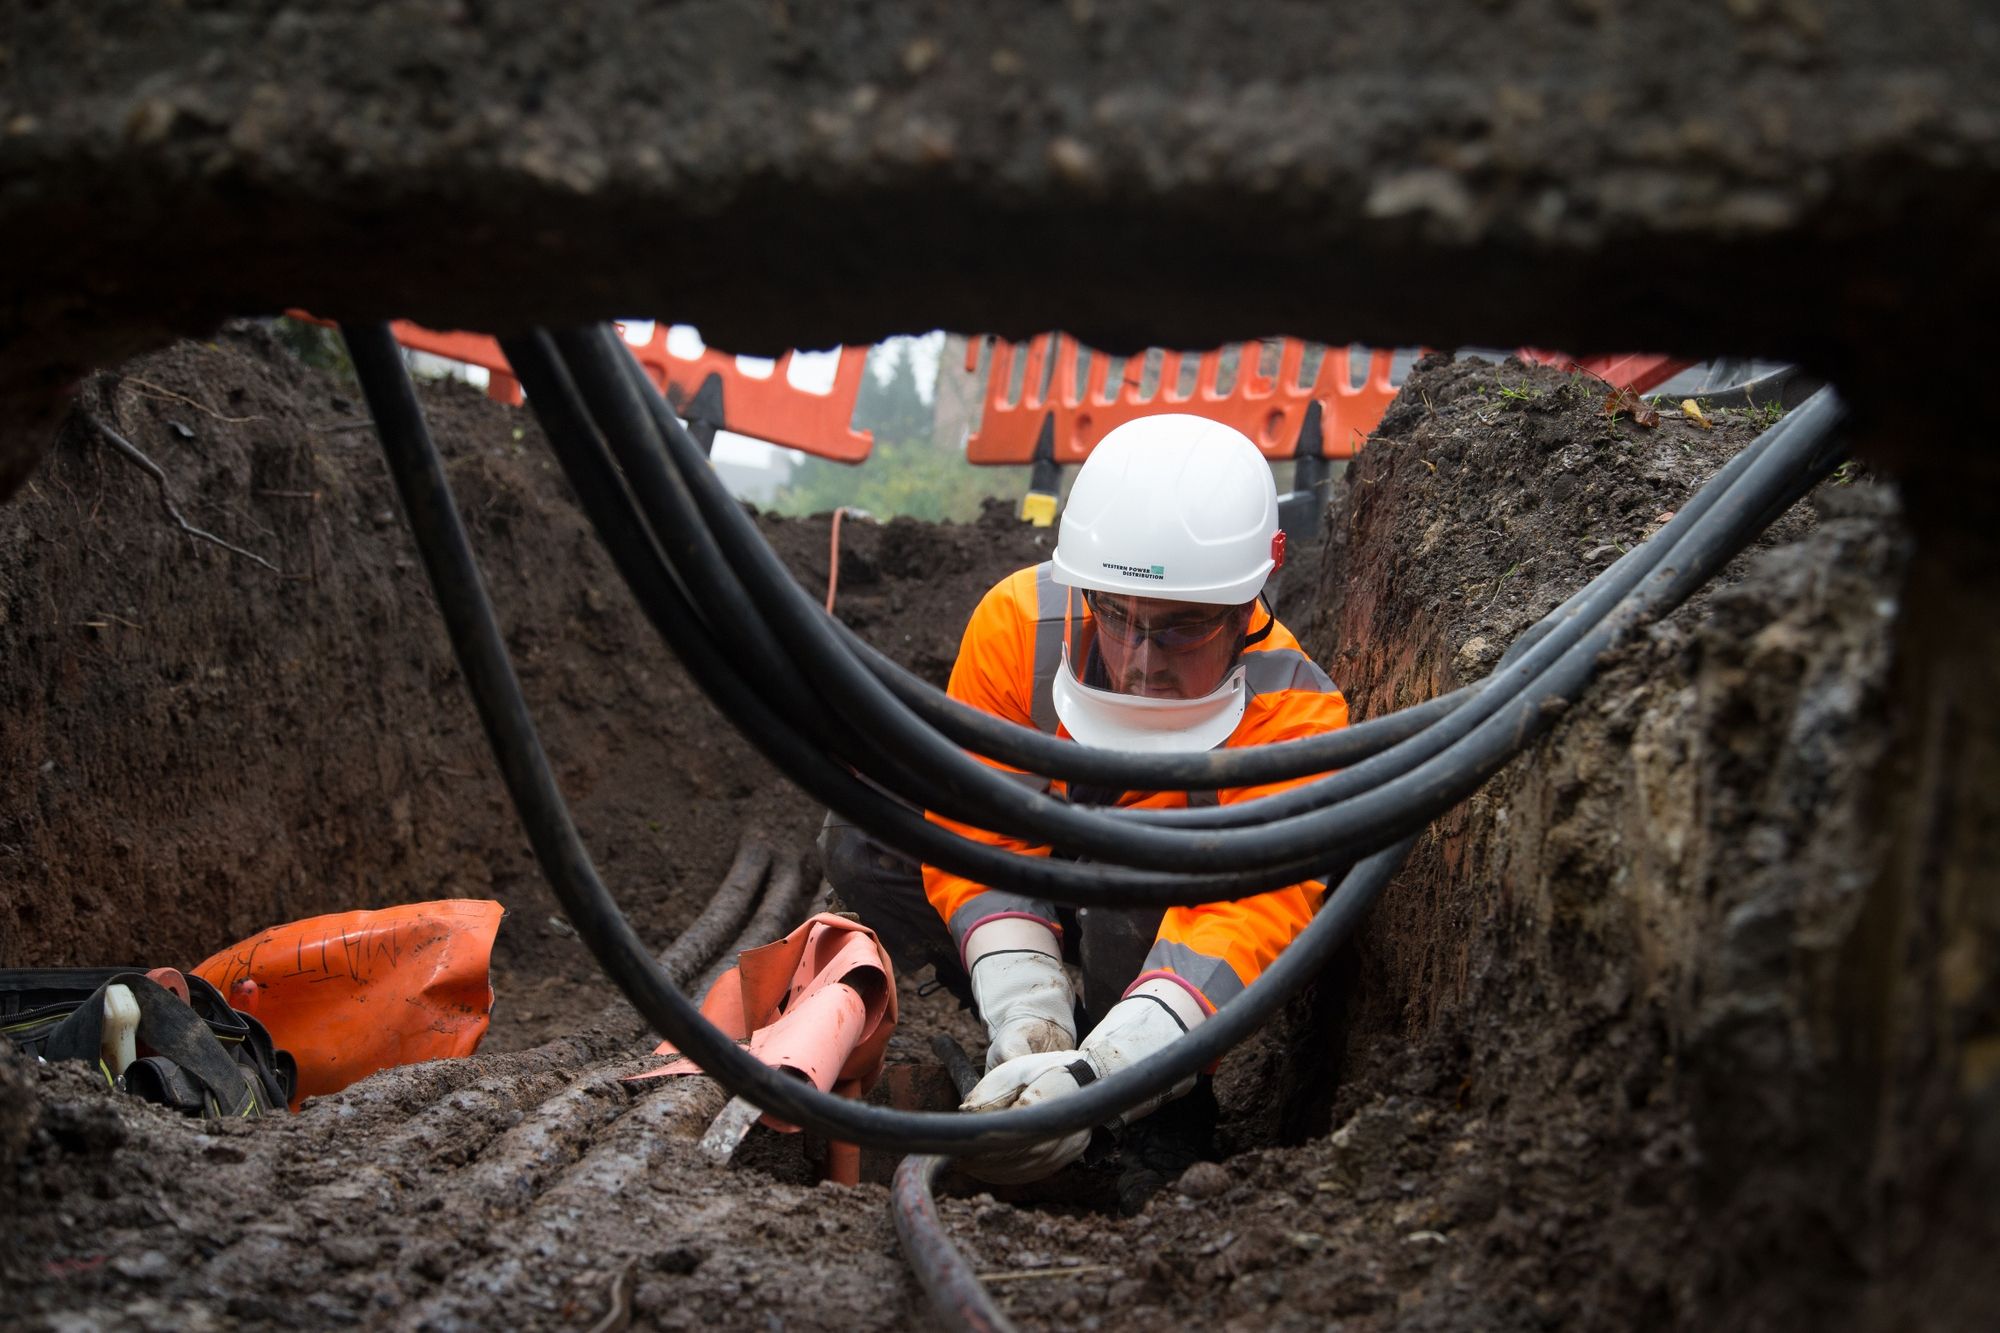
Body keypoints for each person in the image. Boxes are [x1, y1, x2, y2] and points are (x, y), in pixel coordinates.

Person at [819, 413, 1348, 1187]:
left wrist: (1108, 1074)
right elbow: (981, 832)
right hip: (1052, 890)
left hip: (1161, 914)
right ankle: (1035, 1041)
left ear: (1255, 588)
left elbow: (1245, 923)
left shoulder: (1297, 721)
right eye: (1117, 616)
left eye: (1181, 630)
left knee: (1132, 873)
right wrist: (1027, 1016)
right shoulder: (1017, 629)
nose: (1138, 664)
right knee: (870, 826)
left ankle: (1165, 1097)